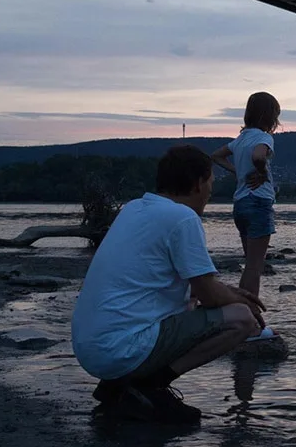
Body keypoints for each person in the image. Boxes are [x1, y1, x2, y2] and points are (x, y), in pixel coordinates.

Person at [71, 145, 266, 424]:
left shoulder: (134, 208)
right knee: (241, 319)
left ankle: (119, 384)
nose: (210, 192)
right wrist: (239, 300)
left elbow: (195, 289)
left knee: (191, 302)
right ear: (199, 183)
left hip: (90, 348)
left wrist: (230, 292)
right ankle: (152, 386)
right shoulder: (182, 218)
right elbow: (209, 295)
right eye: (210, 183)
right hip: (118, 350)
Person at [211, 92, 281, 305]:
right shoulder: (263, 137)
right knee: (254, 267)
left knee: (249, 264)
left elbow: (215, 155)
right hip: (259, 202)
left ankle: (242, 311)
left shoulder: (240, 139)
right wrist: (260, 172)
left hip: (240, 204)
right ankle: (250, 314)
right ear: (270, 116)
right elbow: (259, 156)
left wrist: (237, 172)